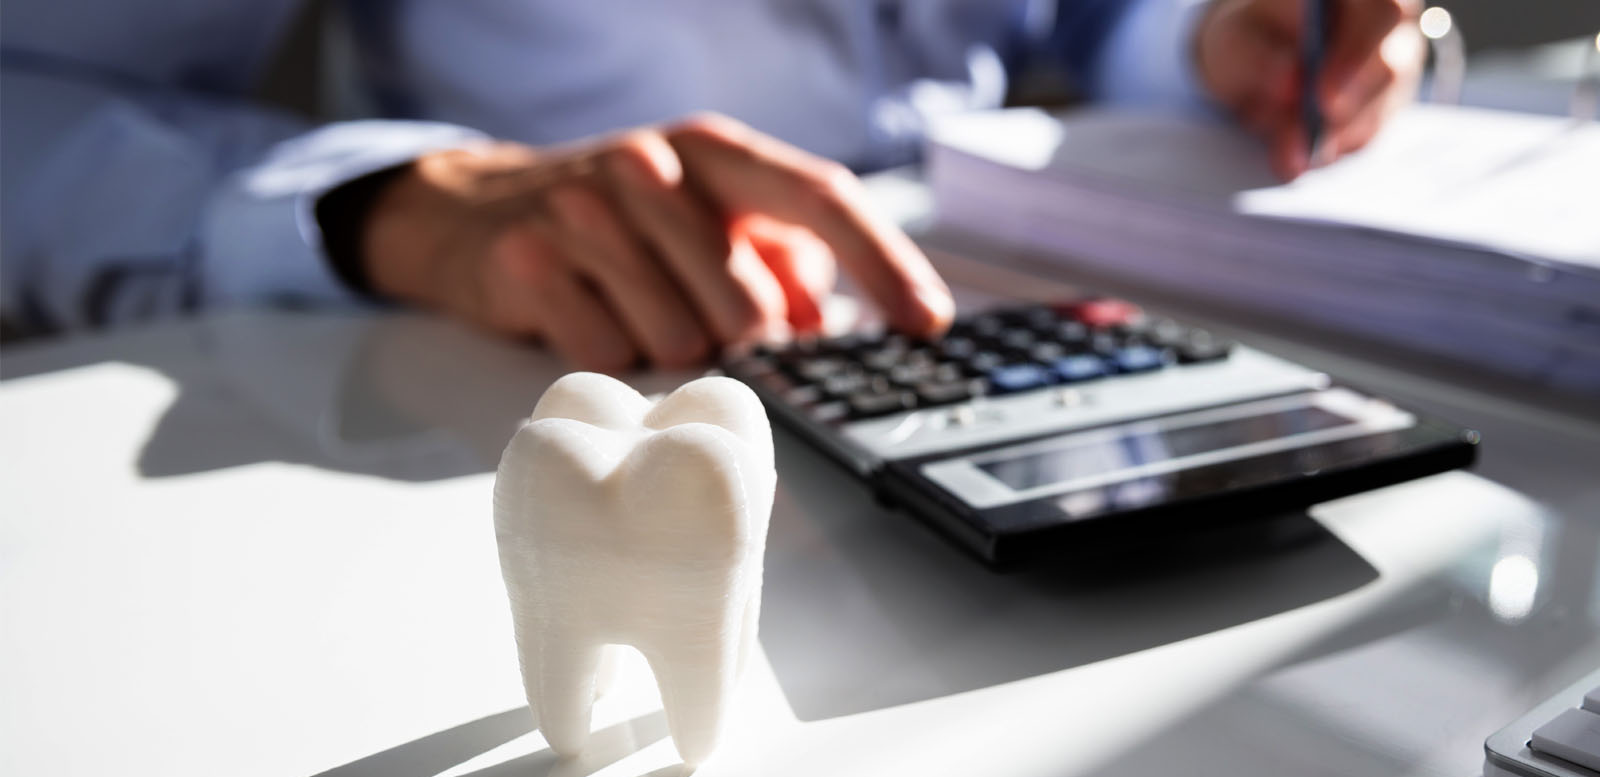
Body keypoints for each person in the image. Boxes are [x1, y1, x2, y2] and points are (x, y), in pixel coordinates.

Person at [1, 0, 1423, 369]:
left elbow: (1058, 17)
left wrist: (1200, 37)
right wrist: (389, 200)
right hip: (533, 357)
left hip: (1003, 304)